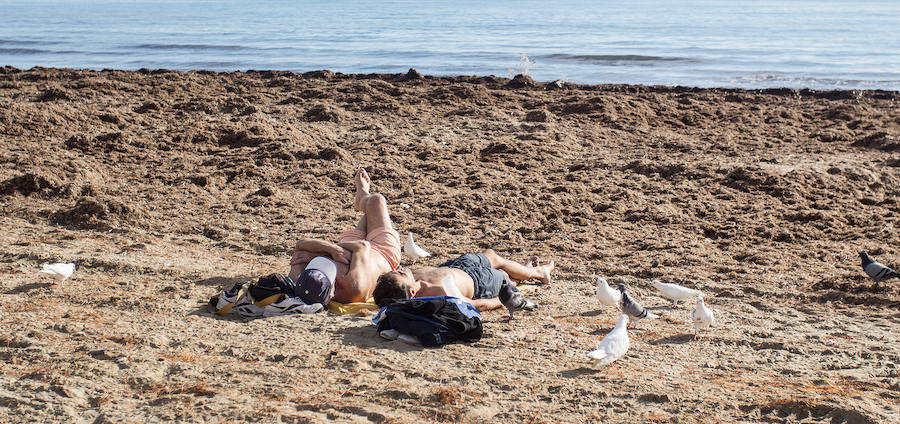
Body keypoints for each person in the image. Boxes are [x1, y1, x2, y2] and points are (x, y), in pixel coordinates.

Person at [288, 167, 402, 305]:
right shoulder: (353, 287)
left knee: (371, 210)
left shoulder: (300, 281)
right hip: (382, 253)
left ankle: (363, 199)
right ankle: (363, 197)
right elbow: (362, 247)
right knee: (376, 201)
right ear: (331, 293)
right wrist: (329, 251)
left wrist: (328, 252)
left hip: (352, 248)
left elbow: (300, 244)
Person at [373, 249, 554, 316]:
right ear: (412, 292)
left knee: (491, 255)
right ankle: (537, 273)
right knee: (503, 277)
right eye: (402, 274)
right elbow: (477, 305)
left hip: (455, 266)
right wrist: (502, 299)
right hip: (478, 282)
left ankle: (522, 272)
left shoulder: (398, 288)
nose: (402, 269)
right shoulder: (437, 294)